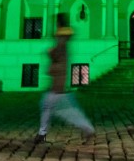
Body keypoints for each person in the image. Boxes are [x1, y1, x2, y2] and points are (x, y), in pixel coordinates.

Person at [34, 14, 95, 144]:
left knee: (63, 110)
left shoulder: (62, 38)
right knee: (54, 107)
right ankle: (42, 133)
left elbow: (57, 53)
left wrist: (50, 52)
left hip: (58, 81)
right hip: (58, 80)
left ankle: (42, 133)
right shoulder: (63, 37)